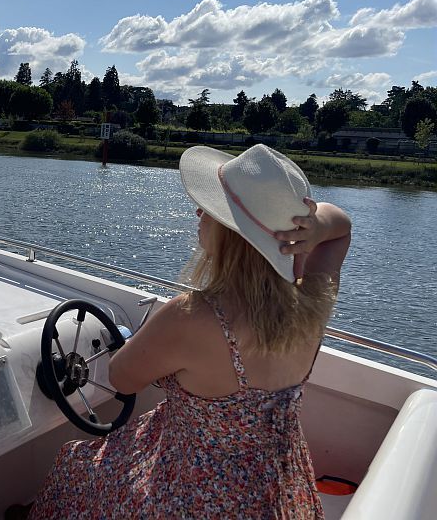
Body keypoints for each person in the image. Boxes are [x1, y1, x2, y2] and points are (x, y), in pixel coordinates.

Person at [27, 144, 352, 519]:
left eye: (212, 210)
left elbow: (121, 378)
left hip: (191, 492)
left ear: (233, 235)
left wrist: (136, 341)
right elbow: (340, 230)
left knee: (75, 464)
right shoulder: (313, 299)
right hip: (275, 490)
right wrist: (317, 227)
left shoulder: (192, 316)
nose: (199, 212)